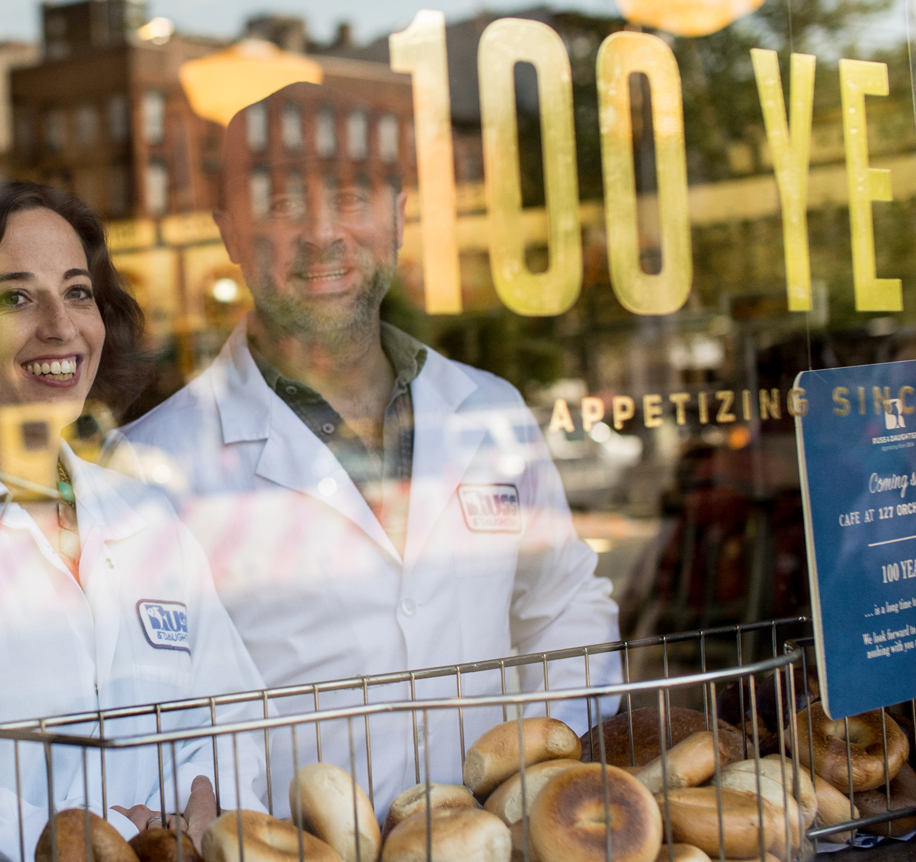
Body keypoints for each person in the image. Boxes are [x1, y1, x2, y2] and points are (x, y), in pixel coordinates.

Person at [113, 83, 621, 817]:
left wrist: (538, 767)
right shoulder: (151, 465)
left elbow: (563, 605)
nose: (324, 234)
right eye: (284, 205)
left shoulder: (489, 410)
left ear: (397, 214)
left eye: (352, 196)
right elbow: (163, 711)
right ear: (229, 232)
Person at [0, 181, 264, 858]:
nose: (60, 325)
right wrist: (103, 844)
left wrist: (209, 797)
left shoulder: (145, 515)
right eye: (14, 297)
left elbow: (231, 711)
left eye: (78, 292)